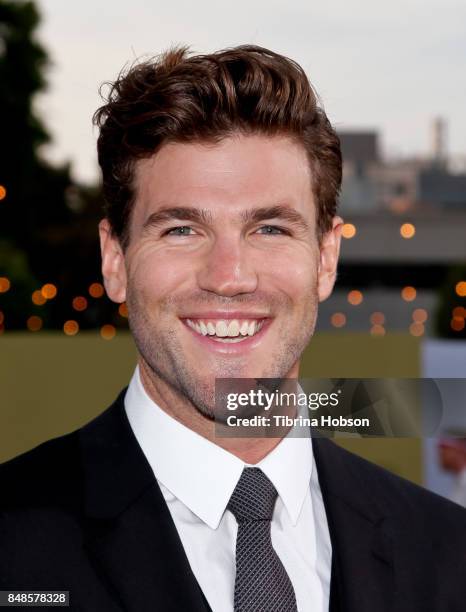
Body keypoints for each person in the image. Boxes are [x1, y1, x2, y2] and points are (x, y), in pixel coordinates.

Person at [0, 45, 465, 612]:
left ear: (325, 259)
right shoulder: (13, 543)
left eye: (269, 229)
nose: (229, 277)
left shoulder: (446, 553)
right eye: (180, 230)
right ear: (115, 260)